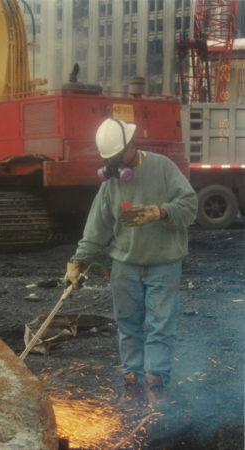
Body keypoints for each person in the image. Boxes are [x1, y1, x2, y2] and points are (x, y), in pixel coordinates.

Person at [64, 117, 198, 408]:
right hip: (125, 265)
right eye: (108, 159)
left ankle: (156, 382)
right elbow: (96, 227)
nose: (113, 164)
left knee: (161, 326)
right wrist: (77, 261)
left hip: (164, 262)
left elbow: (189, 205)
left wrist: (162, 212)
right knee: (128, 325)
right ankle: (133, 381)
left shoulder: (163, 168)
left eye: (116, 157)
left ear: (132, 145)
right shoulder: (112, 183)